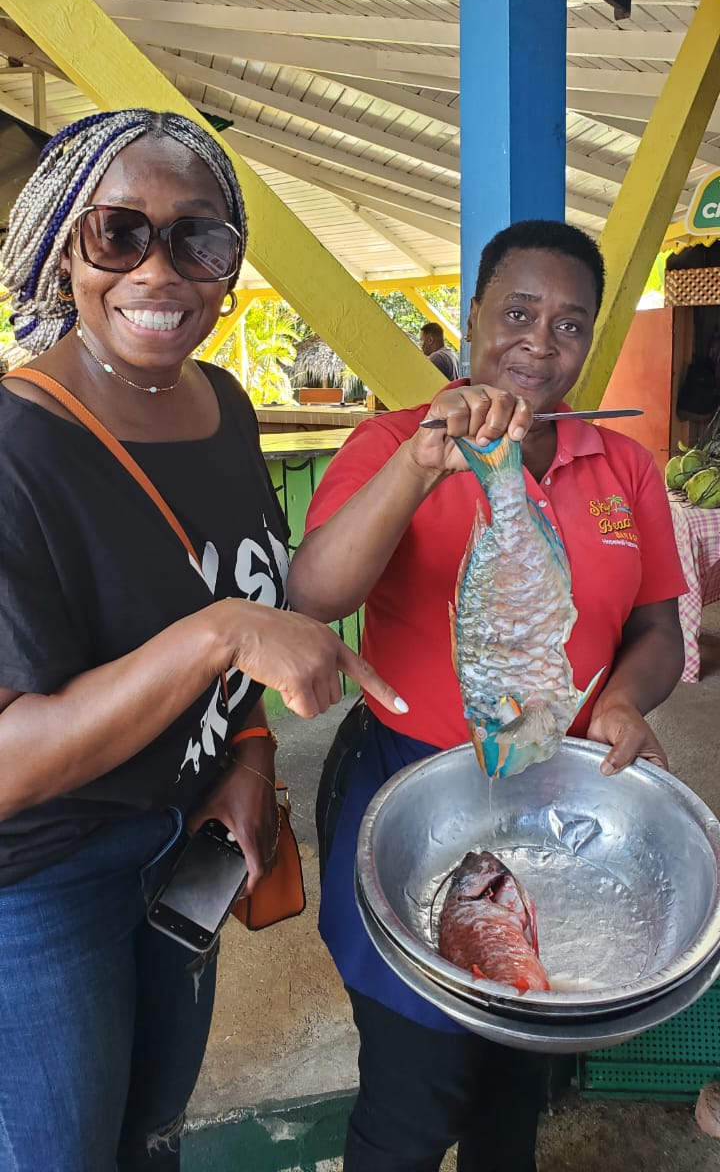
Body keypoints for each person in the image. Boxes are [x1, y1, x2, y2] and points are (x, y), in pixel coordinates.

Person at [0, 108, 405, 1172]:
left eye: (200, 238)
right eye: (118, 233)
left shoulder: (223, 405)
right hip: (40, 879)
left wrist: (250, 753)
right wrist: (219, 635)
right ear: (57, 243)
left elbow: (268, 594)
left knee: (151, 1133)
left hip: (183, 839)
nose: (161, 270)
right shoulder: (16, 450)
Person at [287, 219, 687, 1172]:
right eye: (517, 312)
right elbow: (316, 595)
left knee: (517, 1089)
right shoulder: (395, 439)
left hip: (565, 805)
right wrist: (420, 464)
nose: (540, 344)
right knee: (414, 1098)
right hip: (416, 791)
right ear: (471, 318)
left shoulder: (621, 463)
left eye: (570, 325)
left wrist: (627, 702)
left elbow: (660, 629)